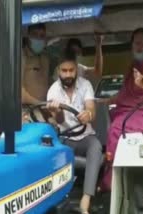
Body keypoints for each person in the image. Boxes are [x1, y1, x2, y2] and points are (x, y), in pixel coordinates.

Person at [99, 28, 143, 192]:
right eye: (136, 43)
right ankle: (104, 161)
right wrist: (105, 101)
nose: (139, 47)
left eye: (142, 43)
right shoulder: (133, 66)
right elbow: (124, 94)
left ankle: (110, 179)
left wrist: (142, 80)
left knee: (115, 128)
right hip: (129, 110)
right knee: (103, 119)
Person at [46, 52, 103, 214]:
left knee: (96, 147)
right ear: (59, 71)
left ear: (76, 70)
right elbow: (59, 120)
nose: (68, 74)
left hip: (86, 137)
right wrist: (56, 112)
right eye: (64, 71)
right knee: (54, 153)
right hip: (65, 139)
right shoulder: (53, 91)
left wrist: (88, 115)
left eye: (71, 70)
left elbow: (91, 108)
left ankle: (86, 200)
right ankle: (59, 198)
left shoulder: (85, 85)